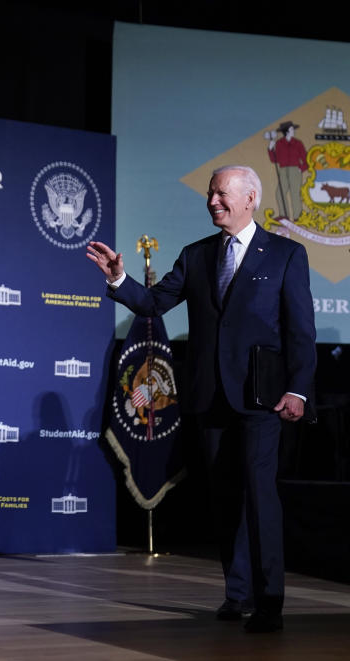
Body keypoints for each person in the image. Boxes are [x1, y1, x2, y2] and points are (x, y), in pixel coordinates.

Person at [86, 165, 316, 633]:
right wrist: (119, 279)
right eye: (209, 194)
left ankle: (269, 600)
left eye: (222, 194)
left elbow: (301, 331)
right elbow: (153, 304)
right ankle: (237, 596)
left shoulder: (287, 254)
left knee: (260, 499)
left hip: (261, 399)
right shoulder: (196, 255)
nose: (212, 201)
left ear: (250, 198)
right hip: (209, 400)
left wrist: (298, 389)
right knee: (226, 501)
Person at [266, 121, 307, 221]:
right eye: (292, 129)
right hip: (283, 170)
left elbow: (306, 159)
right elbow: (274, 160)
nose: (293, 131)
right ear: (287, 131)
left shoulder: (298, 143)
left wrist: (301, 169)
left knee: (295, 194)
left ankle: (297, 217)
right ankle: (284, 215)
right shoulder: (279, 143)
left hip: (294, 170)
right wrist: (270, 149)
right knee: (279, 193)